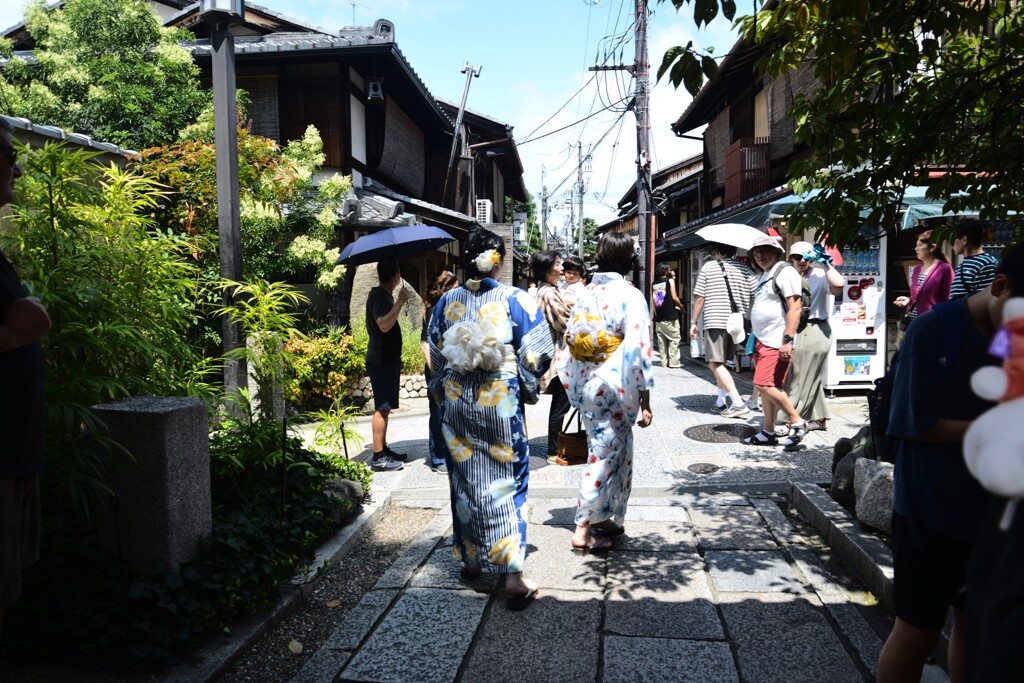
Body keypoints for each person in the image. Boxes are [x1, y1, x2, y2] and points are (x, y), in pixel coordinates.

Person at [876, 244, 1024, 683]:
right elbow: (908, 423)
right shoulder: (934, 330)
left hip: (994, 513)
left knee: (973, 624)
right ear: (999, 287)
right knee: (918, 630)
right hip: (930, 509)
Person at [426, 227, 554, 610]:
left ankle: (471, 559)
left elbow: (435, 354)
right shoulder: (515, 299)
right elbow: (538, 353)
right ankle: (511, 575)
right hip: (498, 402)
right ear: (495, 262)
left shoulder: (447, 300)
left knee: (464, 478)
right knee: (506, 480)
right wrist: (527, 384)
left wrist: (443, 392)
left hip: (455, 400)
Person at [558, 232, 654, 552]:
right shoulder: (630, 295)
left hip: (587, 382)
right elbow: (639, 350)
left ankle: (601, 520)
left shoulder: (585, 293)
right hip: (613, 385)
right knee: (604, 457)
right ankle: (582, 527)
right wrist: (645, 399)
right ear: (629, 260)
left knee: (610, 453)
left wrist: (573, 383)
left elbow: (571, 339)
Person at [0, 118, 50, 637]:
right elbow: (27, 322)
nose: (17, 166)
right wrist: (20, 328)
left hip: (15, 453)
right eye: (8, 154)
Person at [742, 235, 807, 447]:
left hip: (777, 340)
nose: (760, 255)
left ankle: (797, 421)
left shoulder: (785, 270)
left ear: (777, 253)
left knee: (762, 383)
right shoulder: (765, 274)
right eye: (756, 252)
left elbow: (795, 307)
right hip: (762, 339)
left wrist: (787, 340)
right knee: (769, 387)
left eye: (765, 251)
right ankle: (767, 432)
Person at [777, 241, 844, 432]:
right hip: (794, 329)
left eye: (806, 257)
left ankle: (793, 418)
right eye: (797, 257)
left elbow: (839, 285)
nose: (801, 261)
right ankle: (818, 418)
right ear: (790, 258)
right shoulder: (787, 277)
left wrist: (824, 263)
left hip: (815, 328)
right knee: (808, 375)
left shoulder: (820, 275)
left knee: (800, 375)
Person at [689, 242, 755, 418]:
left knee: (715, 363)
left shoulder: (709, 267)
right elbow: (755, 293)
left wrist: (693, 321)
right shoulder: (745, 269)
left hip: (716, 320)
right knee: (723, 363)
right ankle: (720, 401)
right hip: (737, 323)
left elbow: (700, 297)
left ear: (717, 251)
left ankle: (738, 403)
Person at [365, 259, 411, 472]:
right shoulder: (379, 296)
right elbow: (383, 324)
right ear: (395, 276)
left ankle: (383, 448)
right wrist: (400, 302)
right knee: (382, 407)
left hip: (387, 359)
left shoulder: (383, 296)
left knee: (386, 408)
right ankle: (377, 457)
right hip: (381, 359)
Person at [530, 250, 573, 463]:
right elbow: (565, 322)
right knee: (561, 403)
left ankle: (555, 447)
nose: (562, 267)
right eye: (557, 263)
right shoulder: (548, 293)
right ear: (548, 269)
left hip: (552, 354)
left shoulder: (546, 290)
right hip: (557, 357)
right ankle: (553, 451)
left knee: (562, 402)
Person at [421, 270, 459, 474]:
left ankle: (445, 454)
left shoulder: (443, 307)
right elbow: (425, 343)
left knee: (445, 413)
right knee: (438, 414)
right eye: (455, 288)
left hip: (445, 367)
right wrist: (435, 369)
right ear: (444, 288)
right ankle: (438, 458)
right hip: (436, 368)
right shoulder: (435, 308)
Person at [894, 229, 953, 332]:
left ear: (932, 247)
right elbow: (921, 294)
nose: (916, 249)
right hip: (913, 324)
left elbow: (950, 299)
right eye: (916, 245)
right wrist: (909, 299)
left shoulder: (945, 269)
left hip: (931, 325)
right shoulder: (917, 269)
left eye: (920, 245)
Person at [950, 219, 999, 300]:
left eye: (954, 238)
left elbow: (986, 301)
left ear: (964, 240)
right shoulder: (962, 265)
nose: (952, 244)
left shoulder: (987, 264)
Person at [652, 262, 685, 369]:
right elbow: (675, 297)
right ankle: (674, 363)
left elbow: (656, 301)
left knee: (662, 342)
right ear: (665, 271)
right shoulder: (669, 281)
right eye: (669, 269)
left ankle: (664, 363)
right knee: (674, 339)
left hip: (659, 318)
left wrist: (656, 315)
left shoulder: (654, 283)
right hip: (670, 316)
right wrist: (681, 307)